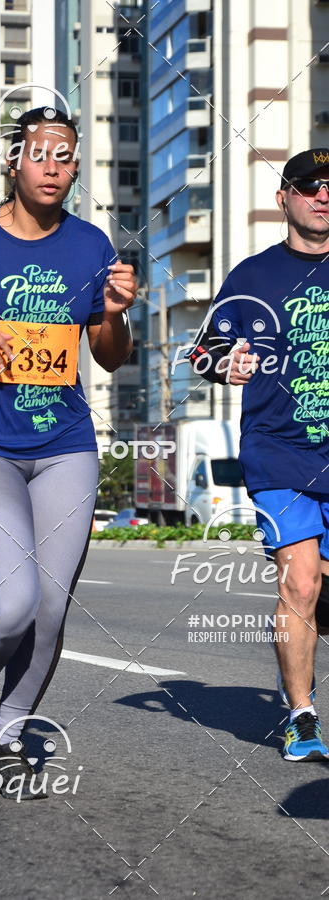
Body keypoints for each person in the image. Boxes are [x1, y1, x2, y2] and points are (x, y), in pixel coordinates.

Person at [0, 107, 136, 797]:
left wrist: (116, 313)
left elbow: (109, 356)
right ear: (12, 162)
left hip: (66, 443)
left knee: (50, 609)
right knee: (11, 603)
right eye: (38, 153)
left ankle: (7, 732)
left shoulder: (91, 245)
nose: (51, 166)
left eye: (64, 156)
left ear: (73, 168)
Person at [187, 148, 329, 761]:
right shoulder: (251, 277)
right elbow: (201, 354)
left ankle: (296, 663)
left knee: (321, 590)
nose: (323, 196)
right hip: (280, 454)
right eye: (311, 186)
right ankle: (301, 714)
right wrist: (228, 362)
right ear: (285, 197)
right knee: (300, 582)